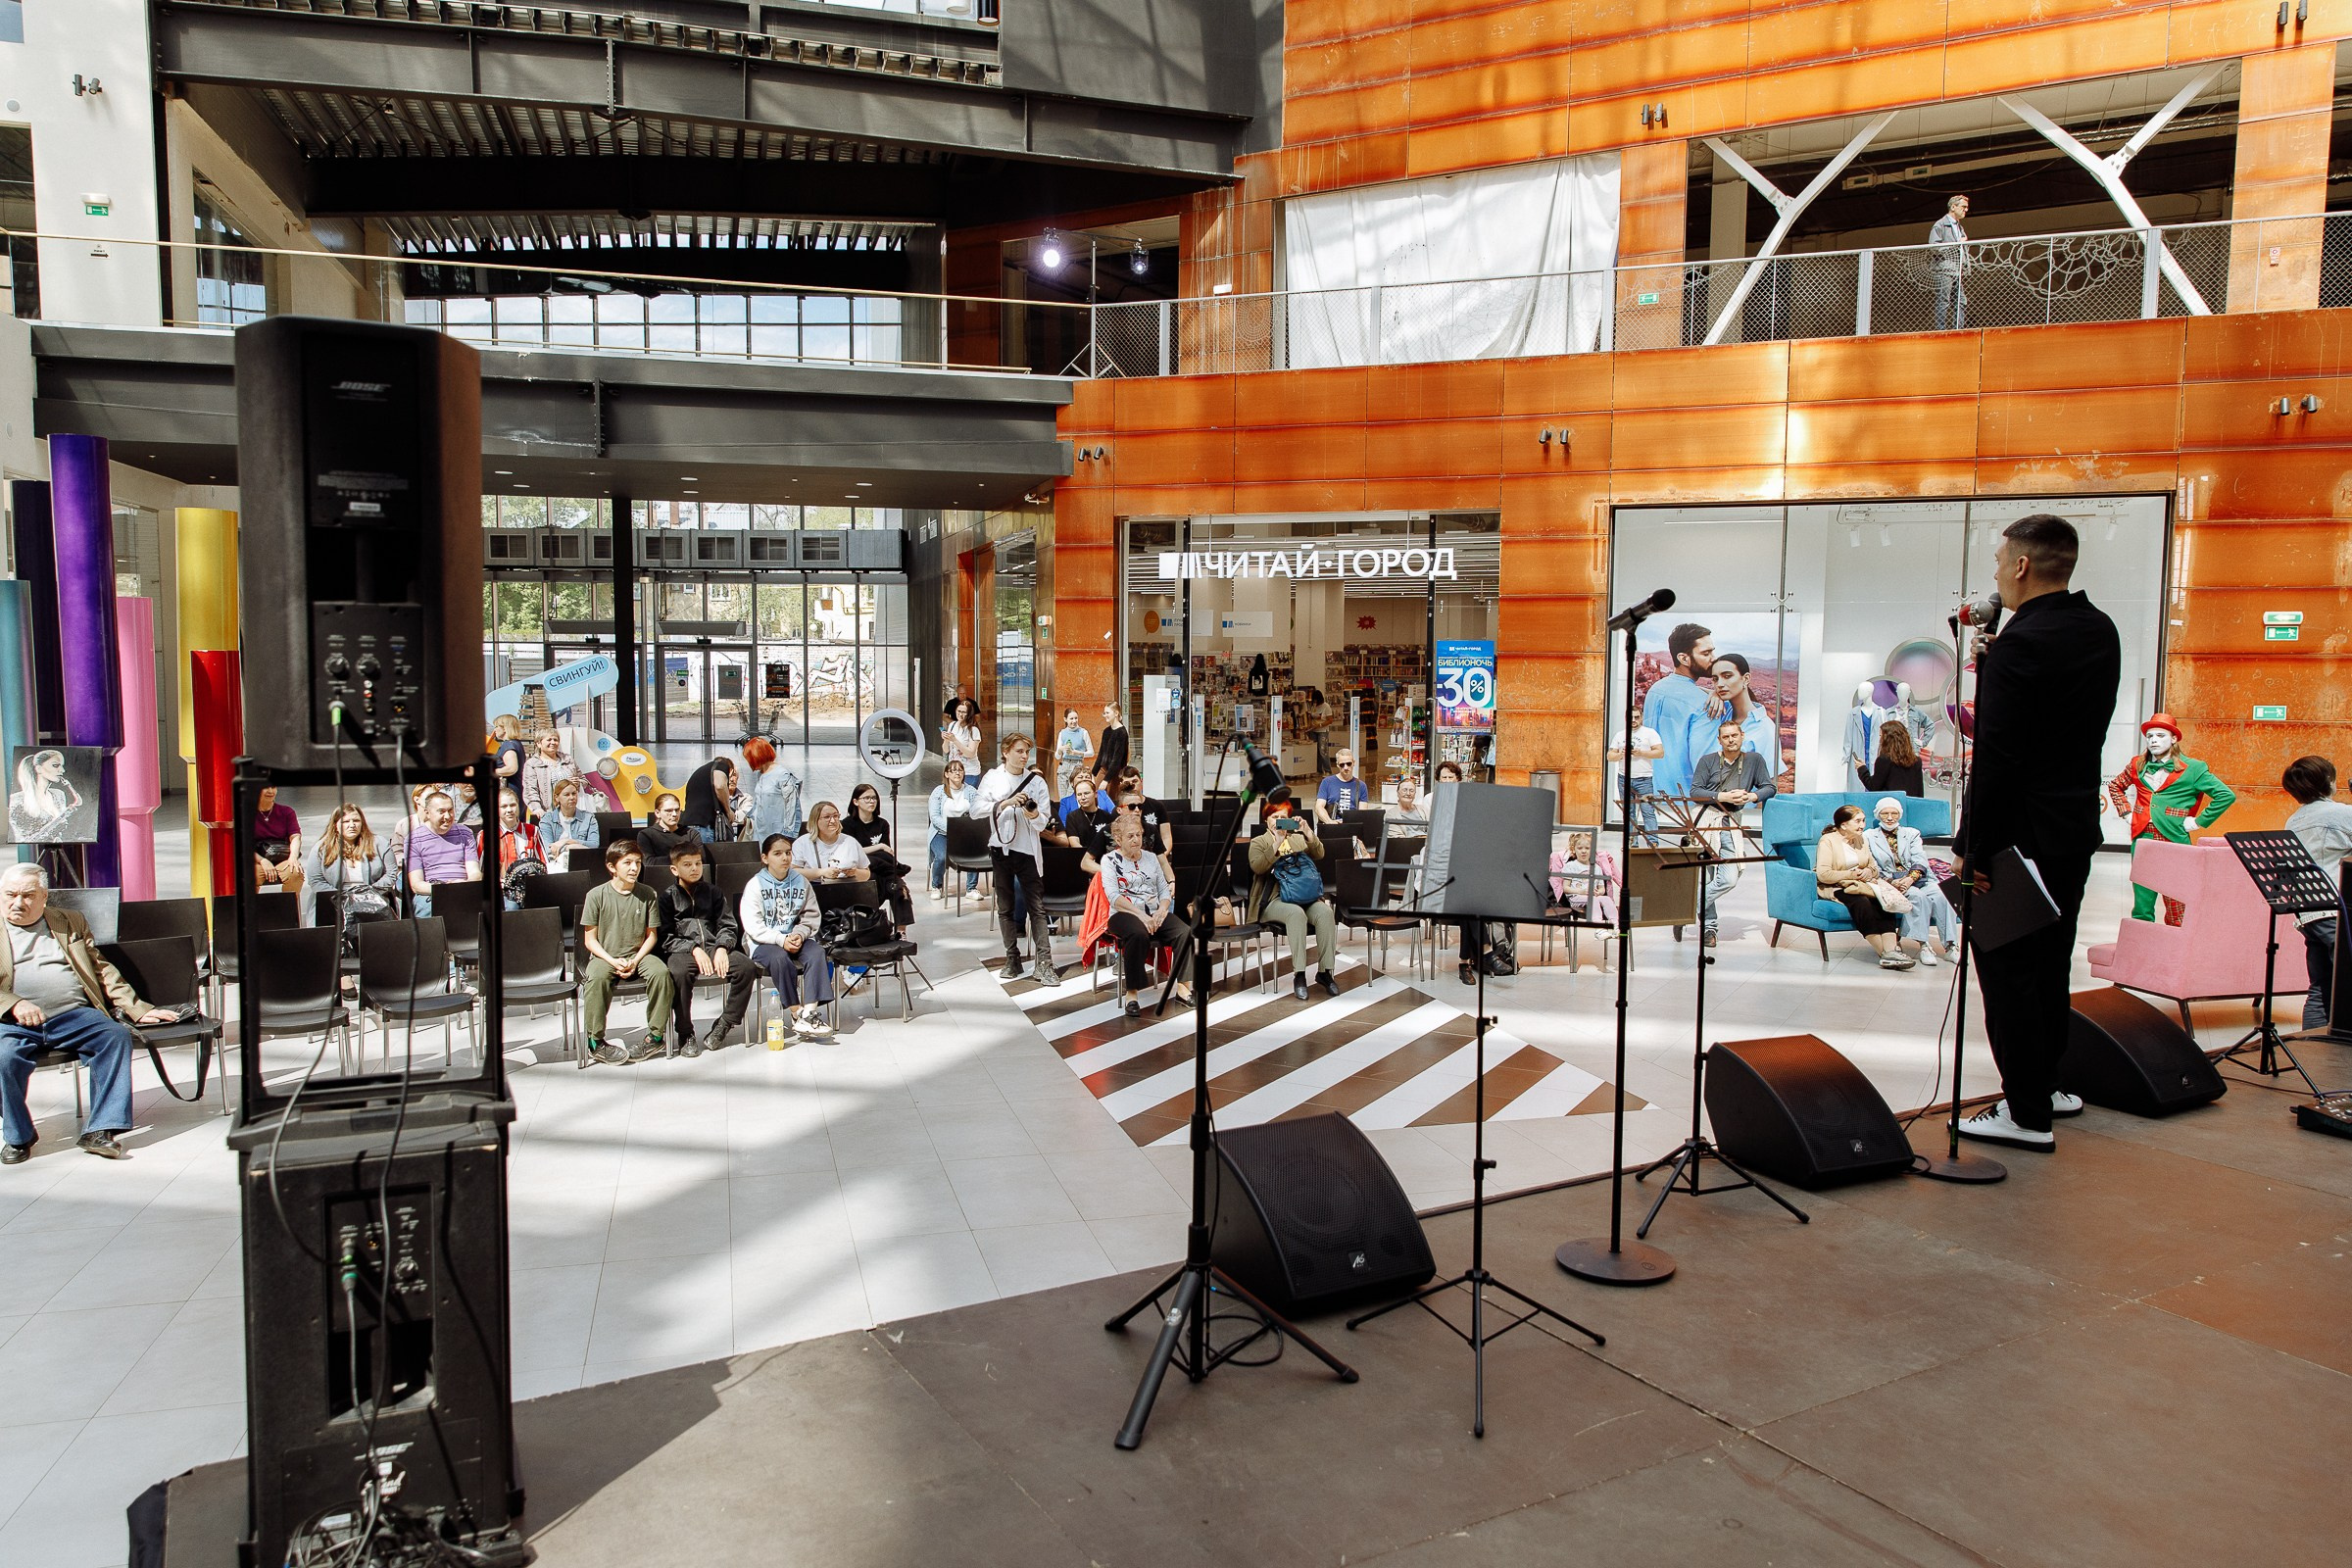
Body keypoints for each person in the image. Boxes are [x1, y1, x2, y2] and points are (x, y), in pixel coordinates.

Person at [1953, 513, 2121, 1152]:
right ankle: (2048, 1086)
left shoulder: (2022, 644)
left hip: (2016, 838)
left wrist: (1973, 848)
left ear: (2022, 566)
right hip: (2072, 830)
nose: (1996, 572)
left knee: (2008, 973)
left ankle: (2025, 1113)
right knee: (2051, 963)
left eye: (2000, 561)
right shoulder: (2097, 629)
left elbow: (2000, 758)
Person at [0, 863, 177, 1163]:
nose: (18, 903)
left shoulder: (68, 921)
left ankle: (100, 1130)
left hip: (72, 1014)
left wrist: (136, 1008)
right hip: (13, 1021)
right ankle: (19, 1136)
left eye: (28, 895)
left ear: (44, 896)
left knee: (114, 1037)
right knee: (4, 1057)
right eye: (10, 894)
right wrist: (13, 1002)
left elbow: (101, 968)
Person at [2105, 713, 2234, 922]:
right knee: (2142, 900)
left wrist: (2198, 822)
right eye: (2149, 736)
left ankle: (2177, 949)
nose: (2153, 740)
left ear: (2174, 738)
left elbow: (2225, 795)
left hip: (2175, 837)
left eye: (2160, 735)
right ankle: (2142, 946)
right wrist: (2126, 813)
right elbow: (2116, 785)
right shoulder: (2137, 763)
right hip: (2143, 836)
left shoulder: (2194, 768)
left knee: (2177, 900)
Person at [656, 841, 755, 1055]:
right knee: (678, 973)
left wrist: (721, 947)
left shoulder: (714, 892)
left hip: (713, 945)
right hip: (682, 951)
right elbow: (665, 937)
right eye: (687, 864)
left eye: (698, 863)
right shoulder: (666, 898)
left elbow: (728, 925)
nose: (694, 869)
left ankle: (725, 1023)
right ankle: (685, 1033)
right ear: (674, 869)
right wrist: (692, 948)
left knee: (746, 967)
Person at [580, 840, 673, 1066]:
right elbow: (590, 940)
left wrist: (635, 960)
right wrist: (613, 960)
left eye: (638, 863)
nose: (634, 868)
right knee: (596, 979)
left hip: (638, 954)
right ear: (612, 867)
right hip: (606, 955)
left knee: (661, 973)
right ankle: (595, 1042)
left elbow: (651, 935)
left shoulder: (648, 893)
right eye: (628, 863)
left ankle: (656, 1036)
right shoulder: (596, 895)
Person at [1690, 717, 1778, 948]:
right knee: (1706, 875)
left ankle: (1688, 907)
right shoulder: (1707, 760)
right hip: (1706, 820)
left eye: (1734, 735)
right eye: (1726, 737)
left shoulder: (1754, 760)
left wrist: (1751, 796)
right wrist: (1723, 796)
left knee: (1729, 877)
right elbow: (1695, 791)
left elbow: (1769, 787)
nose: (1731, 740)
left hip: (1731, 821)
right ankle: (1709, 928)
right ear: (1719, 740)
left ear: (1742, 736)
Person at [978, 733, 1058, 982]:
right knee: (1006, 907)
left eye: (1026, 752)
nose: (1024, 757)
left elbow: (1044, 820)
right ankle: (1012, 957)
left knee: (1037, 906)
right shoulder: (992, 778)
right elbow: (975, 810)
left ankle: (1044, 962)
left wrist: (1032, 814)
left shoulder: (1036, 782)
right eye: (1019, 751)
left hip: (1028, 851)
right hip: (1000, 850)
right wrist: (1005, 803)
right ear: (1006, 752)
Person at [740, 832, 835, 1038]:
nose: (785, 858)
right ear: (765, 858)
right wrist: (781, 940)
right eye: (778, 853)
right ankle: (796, 1012)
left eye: (788, 853)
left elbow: (811, 915)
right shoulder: (755, 885)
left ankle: (809, 1013)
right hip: (764, 942)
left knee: (817, 952)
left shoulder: (801, 882)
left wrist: (799, 935)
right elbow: (753, 925)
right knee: (779, 958)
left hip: (795, 937)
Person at [1250, 786, 1339, 1002]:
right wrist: (1277, 844)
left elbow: (1319, 853)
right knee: (1295, 914)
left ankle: (1325, 971)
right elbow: (1259, 867)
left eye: (1283, 817)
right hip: (1273, 900)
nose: (1279, 820)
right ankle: (1299, 974)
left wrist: (1308, 832)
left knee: (1326, 913)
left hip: (1303, 896)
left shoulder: (1297, 838)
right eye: (1274, 817)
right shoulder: (1258, 842)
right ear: (1266, 820)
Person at [1099, 809, 1191, 1017]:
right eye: (1130, 836)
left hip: (1154, 911)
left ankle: (1183, 988)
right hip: (1123, 913)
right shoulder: (1109, 860)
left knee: (1184, 932)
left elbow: (1164, 891)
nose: (1136, 839)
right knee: (1138, 934)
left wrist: (1162, 910)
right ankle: (1132, 993)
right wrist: (1142, 916)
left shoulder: (1151, 858)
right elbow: (1114, 896)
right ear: (1118, 839)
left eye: (1138, 835)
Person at [2283, 755, 2352, 1032]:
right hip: (2334, 912)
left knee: (2319, 988)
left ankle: (2310, 1048)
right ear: (2329, 782)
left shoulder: (2294, 820)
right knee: (2344, 984)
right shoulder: (2340, 813)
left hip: (2308, 915)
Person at [1816, 805, 1915, 971]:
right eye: (1858, 821)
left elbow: (1874, 867)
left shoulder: (1861, 839)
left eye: (1863, 821)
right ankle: (1884, 953)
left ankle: (1891, 951)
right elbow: (1824, 874)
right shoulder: (1828, 841)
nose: (1862, 825)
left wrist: (1868, 872)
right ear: (1844, 825)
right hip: (1838, 886)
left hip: (1864, 884)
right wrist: (1852, 875)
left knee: (1882, 901)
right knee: (1861, 903)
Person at [1866, 795, 1956, 965]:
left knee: (1942, 895)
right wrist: (1892, 881)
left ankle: (1951, 946)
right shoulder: (1869, 836)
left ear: (1900, 814)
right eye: (1885, 814)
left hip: (1918, 878)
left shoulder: (1912, 833)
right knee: (1918, 897)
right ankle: (1923, 945)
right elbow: (1872, 865)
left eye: (1894, 813)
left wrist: (1909, 878)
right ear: (1878, 815)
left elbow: (1920, 860)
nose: (1890, 818)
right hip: (1891, 882)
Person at [1641, 622, 1721, 800]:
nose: (1714, 658)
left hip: (1653, 798)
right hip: (1689, 804)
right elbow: (1708, 766)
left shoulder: (1656, 690)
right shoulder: (1706, 705)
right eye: (1706, 653)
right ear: (1684, 658)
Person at [306, 802, 399, 927]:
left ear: (362, 823)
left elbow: (391, 874)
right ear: (335, 825)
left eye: (356, 820)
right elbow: (316, 881)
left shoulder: (380, 843)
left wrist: (367, 894)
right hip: (333, 902)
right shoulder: (320, 848)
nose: (352, 825)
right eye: (345, 822)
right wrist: (345, 899)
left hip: (373, 899)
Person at [841, 782, 912, 928]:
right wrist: (878, 846)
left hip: (881, 868)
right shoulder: (847, 824)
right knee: (876, 873)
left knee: (898, 887)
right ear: (856, 802)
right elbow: (853, 853)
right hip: (862, 870)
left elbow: (886, 854)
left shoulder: (882, 824)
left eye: (874, 798)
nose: (871, 801)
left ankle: (901, 931)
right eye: (866, 798)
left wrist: (872, 851)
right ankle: (897, 868)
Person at [405, 791, 480, 917]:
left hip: (464, 890)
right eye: (441, 812)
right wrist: (445, 889)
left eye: (450, 810)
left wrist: (464, 886)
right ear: (427, 813)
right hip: (432, 893)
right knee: (427, 909)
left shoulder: (465, 833)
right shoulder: (414, 839)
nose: (448, 816)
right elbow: (416, 884)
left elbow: (475, 873)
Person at [1709, 653, 1780, 775]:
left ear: (1746, 678)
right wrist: (1712, 694)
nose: (1719, 684)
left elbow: (1769, 783)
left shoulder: (1764, 729)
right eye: (1715, 679)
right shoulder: (1723, 712)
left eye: (1727, 676)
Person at [928, 758, 981, 901]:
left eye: (960, 770)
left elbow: (977, 812)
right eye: (953, 770)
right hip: (941, 833)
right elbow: (935, 817)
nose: (957, 773)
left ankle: (971, 888)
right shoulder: (938, 792)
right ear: (946, 774)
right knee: (941, 856)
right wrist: (952, 829)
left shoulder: (971, 791)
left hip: (965, 834)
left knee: (975, 852)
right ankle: (936, 886)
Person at [8, 748, 85, 842]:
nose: (62, 770)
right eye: (56, 765)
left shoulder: (59, 795)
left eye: (62, 766)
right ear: (39, 768)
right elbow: (22, 839)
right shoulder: (16, 800)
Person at [252, 784, 308, 910]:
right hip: (257, 859)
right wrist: (263, 861)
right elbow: (242, 843)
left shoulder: (287, 811)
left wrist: (293, 858)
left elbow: (295, 837)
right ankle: (251, 915)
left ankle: (287, 912)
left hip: (282, 857)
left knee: (295, 873)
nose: (271, 791)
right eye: (265, 787)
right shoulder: (247, 812)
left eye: (274, 787)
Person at [1607, 721, 1663, 843]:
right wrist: (1621, 754)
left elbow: (1660, 753)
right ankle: (1631, 843)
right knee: (1628, 812)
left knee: (1648, 811)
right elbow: (1610, 756)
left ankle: (1653, 843)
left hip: (1644, 779)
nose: (1634, 720)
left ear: (1641, 717)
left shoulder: (1650, 733)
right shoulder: (1620, 735)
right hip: (1624, 778)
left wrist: (1642, 753)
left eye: (1637, 717)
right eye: (1631, 717)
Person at [742, 737, 805, 847]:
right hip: (761, 829)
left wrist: (789, 833)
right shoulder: (761, 774)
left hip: (778, 831)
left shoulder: (782, 775)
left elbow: (792, 804)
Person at [483, 788, 540, 907]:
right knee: (512, 906)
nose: (509, 810)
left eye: (513, 805)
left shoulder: (532, 831)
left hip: (531, 887)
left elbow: (543, 863)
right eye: (503, 806)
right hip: (502, 890)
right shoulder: (485, 835)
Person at [794, 801, 872, 886]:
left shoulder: (850, 841)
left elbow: (866, 874)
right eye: (827, 817)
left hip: (847, 890)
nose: (833, 820)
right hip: (815, 889)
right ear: (815, 820)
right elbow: (793, 872)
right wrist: (821, 872)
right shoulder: (802, 842)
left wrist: (854, 872)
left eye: (835, 816)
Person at [536, 776, 601, 871]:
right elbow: (548, 848)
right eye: (566, 795)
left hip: (582, 862)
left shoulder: (589, 818)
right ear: (557, 797)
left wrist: (567, 841)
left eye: (574, 794)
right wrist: (571, 847)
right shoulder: (547, 820)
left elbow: (594, 845)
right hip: (555, 862)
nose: (572, 798)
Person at [1930, 194, 1970, 331]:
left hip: (1957, 269)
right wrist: (1956, 244)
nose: (1966, 210)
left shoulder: (1959, 227)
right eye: (1963, 207)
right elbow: (1934, 247)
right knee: (1944, 301)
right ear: (1953, 207)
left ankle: (1958, 328)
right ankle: (1941, 330)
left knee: (1961, 301)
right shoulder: (1940, 224)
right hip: (1944, 269)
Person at [519, 730, 580, 820]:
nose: (553, 743)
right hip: (548, 813)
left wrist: (578, 783)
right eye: (549, 740)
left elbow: (583, 780)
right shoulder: (532, 764)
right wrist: (537, 808)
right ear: (539, 744)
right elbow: (530, 790)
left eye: (555, 740)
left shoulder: (568, 759)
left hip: (572, 812)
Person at [680, 755, 739, 844]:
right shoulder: (721, 765)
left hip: (689, 825)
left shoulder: (702, 773)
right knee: (707, 856)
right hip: (704, 827)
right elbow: (719, 786)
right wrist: (728, 811)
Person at [1865, 720, 1925, 798]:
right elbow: (1919, 792)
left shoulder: (1883, 760)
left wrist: (1862, 769)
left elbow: (1874, 786)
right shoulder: (1917, 761)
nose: (1880, 740)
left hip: (1890, 806)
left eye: (1881, 736)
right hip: (1910, 806)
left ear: (1887, 739)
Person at [637, 793, 699, 862]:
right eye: (669, 811)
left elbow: (700, 860)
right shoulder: (646, 835)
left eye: (677, 810)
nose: (674, 814)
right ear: (657, 813)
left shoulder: (691, 834)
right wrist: (682, 859)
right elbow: (649, 862)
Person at [1315, 750, 1369, 824]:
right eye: (1342, 765)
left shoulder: (1361, 786)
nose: (1346, 767)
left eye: (1349, 764)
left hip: (1351, 827)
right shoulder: (1327, 782)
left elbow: (1363, 813)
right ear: (1337, 765)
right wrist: (1329, 822)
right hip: (1331, 826)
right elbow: (1319, 807)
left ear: (1354, 763)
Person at [1055, 708, 1095, 799]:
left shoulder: (1083, 732)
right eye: (1071, 719)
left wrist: (1077, 753)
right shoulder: (1062, 733)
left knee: (1071, 796)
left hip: (1076, 766)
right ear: (1065, 719)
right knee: (1063, 799)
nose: (1074, 721)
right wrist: (1061, 749)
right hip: (1063, 765)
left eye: (1076, 718)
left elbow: (1091, 752)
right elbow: (1057, 756)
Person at [943, 697, 985, 776]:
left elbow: (971, 753)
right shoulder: (952, 725)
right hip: (953, 771)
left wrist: (954, 740)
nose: (960, 714)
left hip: (969, 772)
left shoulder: (973, 730)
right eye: (959, 711)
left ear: (969, 714)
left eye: (964, 712)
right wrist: (946, 739)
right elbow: (945, 750)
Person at [1095, 701, 1130, 789]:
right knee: (1096, 794)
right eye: (1104, 713)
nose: (1105, 715)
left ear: (1116, 713)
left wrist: (1106, 780)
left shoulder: (1122, 732)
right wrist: (1093, 773)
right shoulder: (1106, 731)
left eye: (1107, 713)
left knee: (1112, 799)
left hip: (1116, 772)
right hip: (1104, 769)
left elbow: (1117, 759)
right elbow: (1101, 754)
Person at [489, 713, 526, 793]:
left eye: (496, 726)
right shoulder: (516, 743)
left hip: (511, 790)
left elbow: (511, 768)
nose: (494, 730)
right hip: (517, 787)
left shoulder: (508, 744)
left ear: (505, 728)